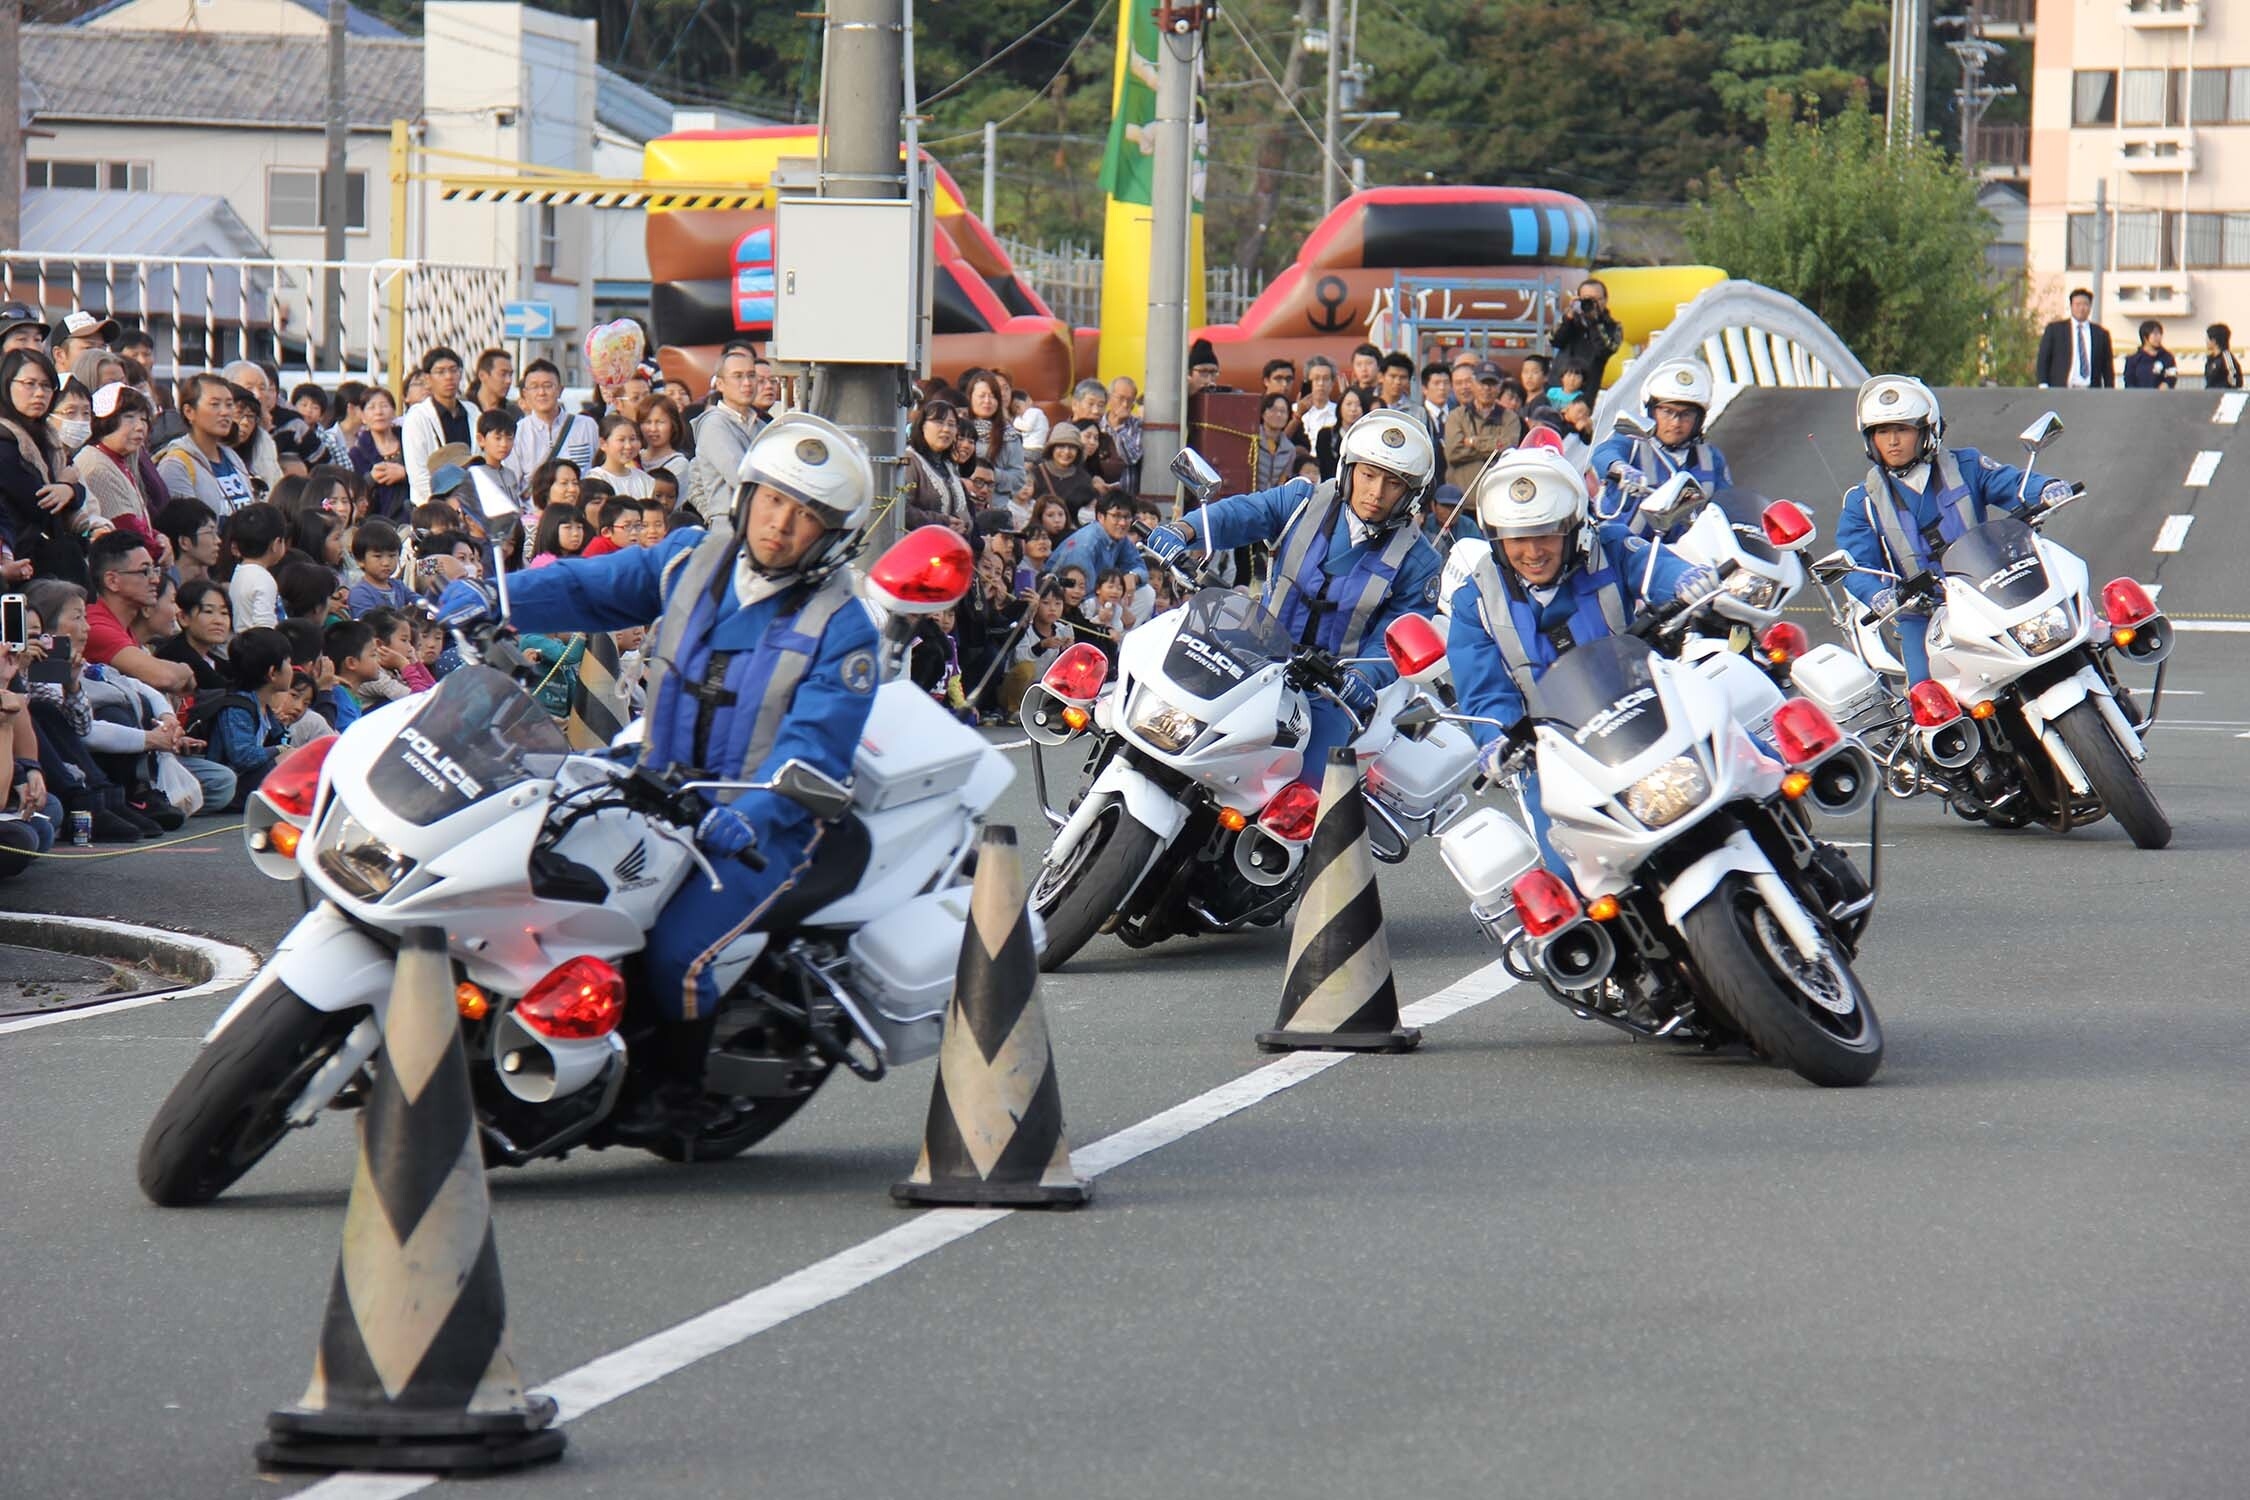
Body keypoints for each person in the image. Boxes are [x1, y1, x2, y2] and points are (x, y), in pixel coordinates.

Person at [437, 417, 881, 1141]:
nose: (780, 524)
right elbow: (594, 586)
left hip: (755, 822)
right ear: (747, 497)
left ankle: (673, 1091)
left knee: (678, 953)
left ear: (831, 536)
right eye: (773, 501)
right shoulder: (690, 559)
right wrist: (500, 598)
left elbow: (814, 750)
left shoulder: (844, 629)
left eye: (806, 516)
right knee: (526, 857)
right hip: (651, 773)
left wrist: (754, 820)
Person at [1146, 408, 1445, 786]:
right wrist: (1185, 530)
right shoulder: (1302, 501)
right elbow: (1243, 513)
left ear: (1412, 494)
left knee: (1305, 795)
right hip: (1254, 652)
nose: (1376, 492)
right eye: (1368, 475)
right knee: (1171, 718)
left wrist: (1361, 677)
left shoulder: (1419, 561)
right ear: (1348, 469)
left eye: (1393, 484)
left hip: (1330, 692)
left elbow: (1396, 639)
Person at [1444, 447, 1704, 878]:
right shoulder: (1475, 602)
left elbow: (1655, 569)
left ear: (1574, 528)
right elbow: (1483, 691)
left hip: (1646, 716)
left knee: (1753, 771)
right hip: (1553, 755)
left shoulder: (1612, 547)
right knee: (1572, 875)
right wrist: (1496, 740)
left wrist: (1684, 581)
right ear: (1496, 538)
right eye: (1516, 536)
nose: (1532, 550)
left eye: (1545, 532)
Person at [1835, 374, 2063, 685]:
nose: (1892, 441)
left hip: (1989, 591)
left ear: (1927, 430)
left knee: (2053, 642)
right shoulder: (1862, 502)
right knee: (1926, 696)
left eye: (1902, 429)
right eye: (1882, 432)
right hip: (1923, 614)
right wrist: (1878, 595)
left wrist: (2046, 488)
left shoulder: (1966, 465)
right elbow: (1855, 563)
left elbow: (2011, 483)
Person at [1587, 357, 1732, 536]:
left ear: (1699, 419)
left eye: (1686, 414)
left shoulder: (1711, 458)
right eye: (1667, 411)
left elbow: (1729, 505)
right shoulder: (1634, 440)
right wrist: (1621, 468)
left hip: (1687, 555)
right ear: (1650, 410)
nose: (1676, 422)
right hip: (1623, 551)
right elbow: (1604, 453)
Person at [0, 347, 98, 583]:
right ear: (6, 385)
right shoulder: (4, 441)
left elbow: (75, 485)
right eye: (29, 383)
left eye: (46, 386)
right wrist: (65, 484)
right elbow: (39, 503)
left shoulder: (48, 438)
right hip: (24, 560)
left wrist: (69, 490)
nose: (39, 393)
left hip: (53, 554)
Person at [74, 382, 159, 531]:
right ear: (106, 420)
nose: (140, 427)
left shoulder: (117, 460)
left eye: (144, 419)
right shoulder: (97, 465)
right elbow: (127, 527)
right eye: (129, 417)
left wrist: (159, 537)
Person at [402, 347, 472, 508]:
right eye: (440, 372)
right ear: (427, 379)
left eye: (454, 370)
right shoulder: (418, 417)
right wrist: (444, 503)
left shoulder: (472, 412)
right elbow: (418, 473)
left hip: (470, 505)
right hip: (430, 507)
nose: (449, 377)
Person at [1442, 360, 1522, 492]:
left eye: (1492, 384)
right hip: (1461, 499)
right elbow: (1452, 453)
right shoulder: (1456, 416)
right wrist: (1493, 445)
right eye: (1482, 383)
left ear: (1500, 387)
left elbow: (1509, 450)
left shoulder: (1510, 418)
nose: (1487, 388)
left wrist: (1474, 442)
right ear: (1473, 384)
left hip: (1496, 496)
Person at [1549, 278, 1622, 402]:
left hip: (1585, 393)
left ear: (1605, 300)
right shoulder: (1571, 321)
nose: (1592, 304)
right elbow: (1554, 340)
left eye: (1597, 300)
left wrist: (1594, 322)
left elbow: (1605, 350)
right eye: (1587, 299)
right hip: (1557, 387)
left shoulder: (1613, 327)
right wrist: (1568, 318)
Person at [349, 386, 412, 521]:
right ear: (363, 416)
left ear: (394, 412)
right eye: (371, 407)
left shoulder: (411, 441)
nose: (378, 412)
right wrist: (371, 478)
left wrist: (406, 474)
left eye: (384, 406)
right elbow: (353, 492)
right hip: (377, 522)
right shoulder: (357, 454)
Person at [2036, 288, 2115, 389]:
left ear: (2090, 307)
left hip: (2091, 391)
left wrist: (2110, 390)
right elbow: (2043, 359)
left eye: (2085, 304)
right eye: (2077, 304)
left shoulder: (2101, 334)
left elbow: (2107, 367)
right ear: (2071, 306)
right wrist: (2043, 384)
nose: (2081, 308)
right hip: (2061, 389)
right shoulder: (2055, 330)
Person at [638, 396, 689, 486]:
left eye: (660, 422)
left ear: (673, 425)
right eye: (647, 422)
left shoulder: (679, 464)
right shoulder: (634, 457)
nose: (653, 429)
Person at [1254, 393, 1299, 490]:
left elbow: (1283, 481)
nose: (1278, 415)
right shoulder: (1252, 440)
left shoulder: (1290, 449)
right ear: (1263, 413)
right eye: (1273, 410)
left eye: (1283, 411)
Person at [2122, 321, 2178, 390]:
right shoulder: (2133, 359)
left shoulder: (2167, 357)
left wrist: (2166, 384)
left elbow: (2172, 377)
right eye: (2155, 334)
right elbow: (2129, 382)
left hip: (2161, 398)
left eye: (2160, 334)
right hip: (2139, 398)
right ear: (2145, 337)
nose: (2159, 337)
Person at [2205, 325, 2243, 390]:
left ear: (2214, 341)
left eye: (2207, 338)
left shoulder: (2227, 357)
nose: (2206, 341)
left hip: (2223, 396)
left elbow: (2236, 381)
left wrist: (2230, 382)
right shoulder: (2210, 358)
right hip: (2210, 396)